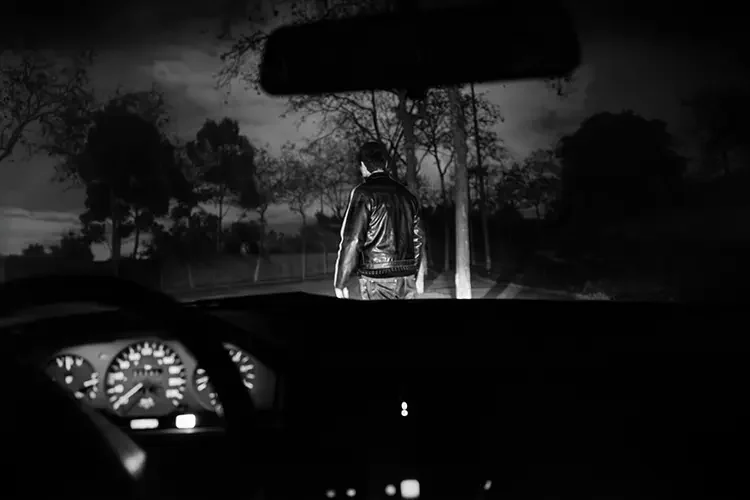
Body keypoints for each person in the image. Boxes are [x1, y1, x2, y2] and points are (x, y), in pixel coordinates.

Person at [333, 141, 426, 300]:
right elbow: (418, 238)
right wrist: (412, 270)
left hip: (377, 278)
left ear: (363, 165)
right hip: (406, 277)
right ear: (386, 164)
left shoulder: (363, 193)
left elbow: (353, 239)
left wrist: (341, 281)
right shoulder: (408, 196)